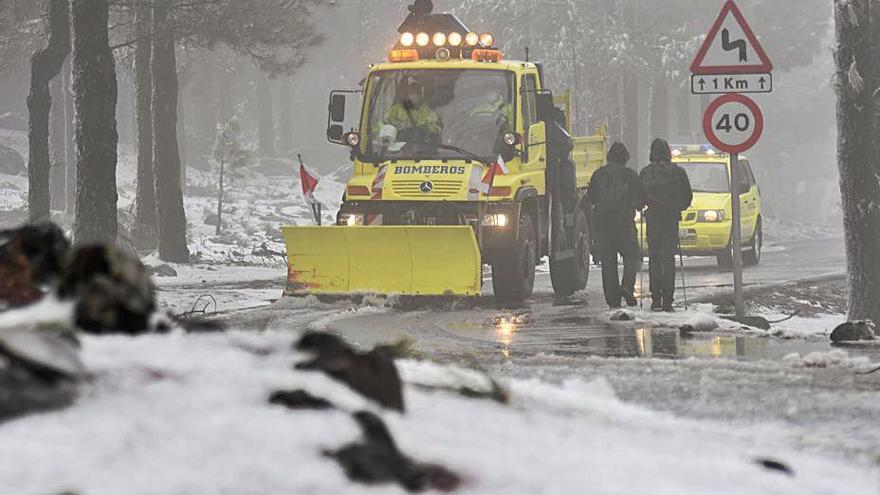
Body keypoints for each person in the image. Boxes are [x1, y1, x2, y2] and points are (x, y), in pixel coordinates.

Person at [639, 139, 693, 312]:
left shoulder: (646, 173)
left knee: (654, 258)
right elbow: (688, 196)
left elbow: (639, 196)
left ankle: (656, 298)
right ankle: (668, 300)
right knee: (668, 259)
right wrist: (678, 207)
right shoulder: (678, 172)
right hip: (670, 218)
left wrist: (643, 206)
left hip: (653, 218)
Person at [589, 142, 645, 308]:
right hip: (624, 222)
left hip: (602, 223)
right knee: (631, 255)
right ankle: (627, 286)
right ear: (625, 158)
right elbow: (640, 199)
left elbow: (591, 197)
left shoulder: (598, 174)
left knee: (608, 262)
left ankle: (613, 300)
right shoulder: (630, 175)